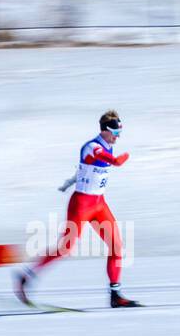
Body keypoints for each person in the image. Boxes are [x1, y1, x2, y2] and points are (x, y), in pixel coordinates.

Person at [15, 109, 142, 308]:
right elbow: (112, 161)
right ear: (105, 131)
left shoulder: (107, 145)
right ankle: (26, 276)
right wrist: (126, 156)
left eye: (120, 134)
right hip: (82, 204)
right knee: (66, 248)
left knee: (117, 246)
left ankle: (115, 295)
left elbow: (87, 170)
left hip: (99, 204)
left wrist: (70, 181)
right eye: (116, 134)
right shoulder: (92, 147)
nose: (118, 138)